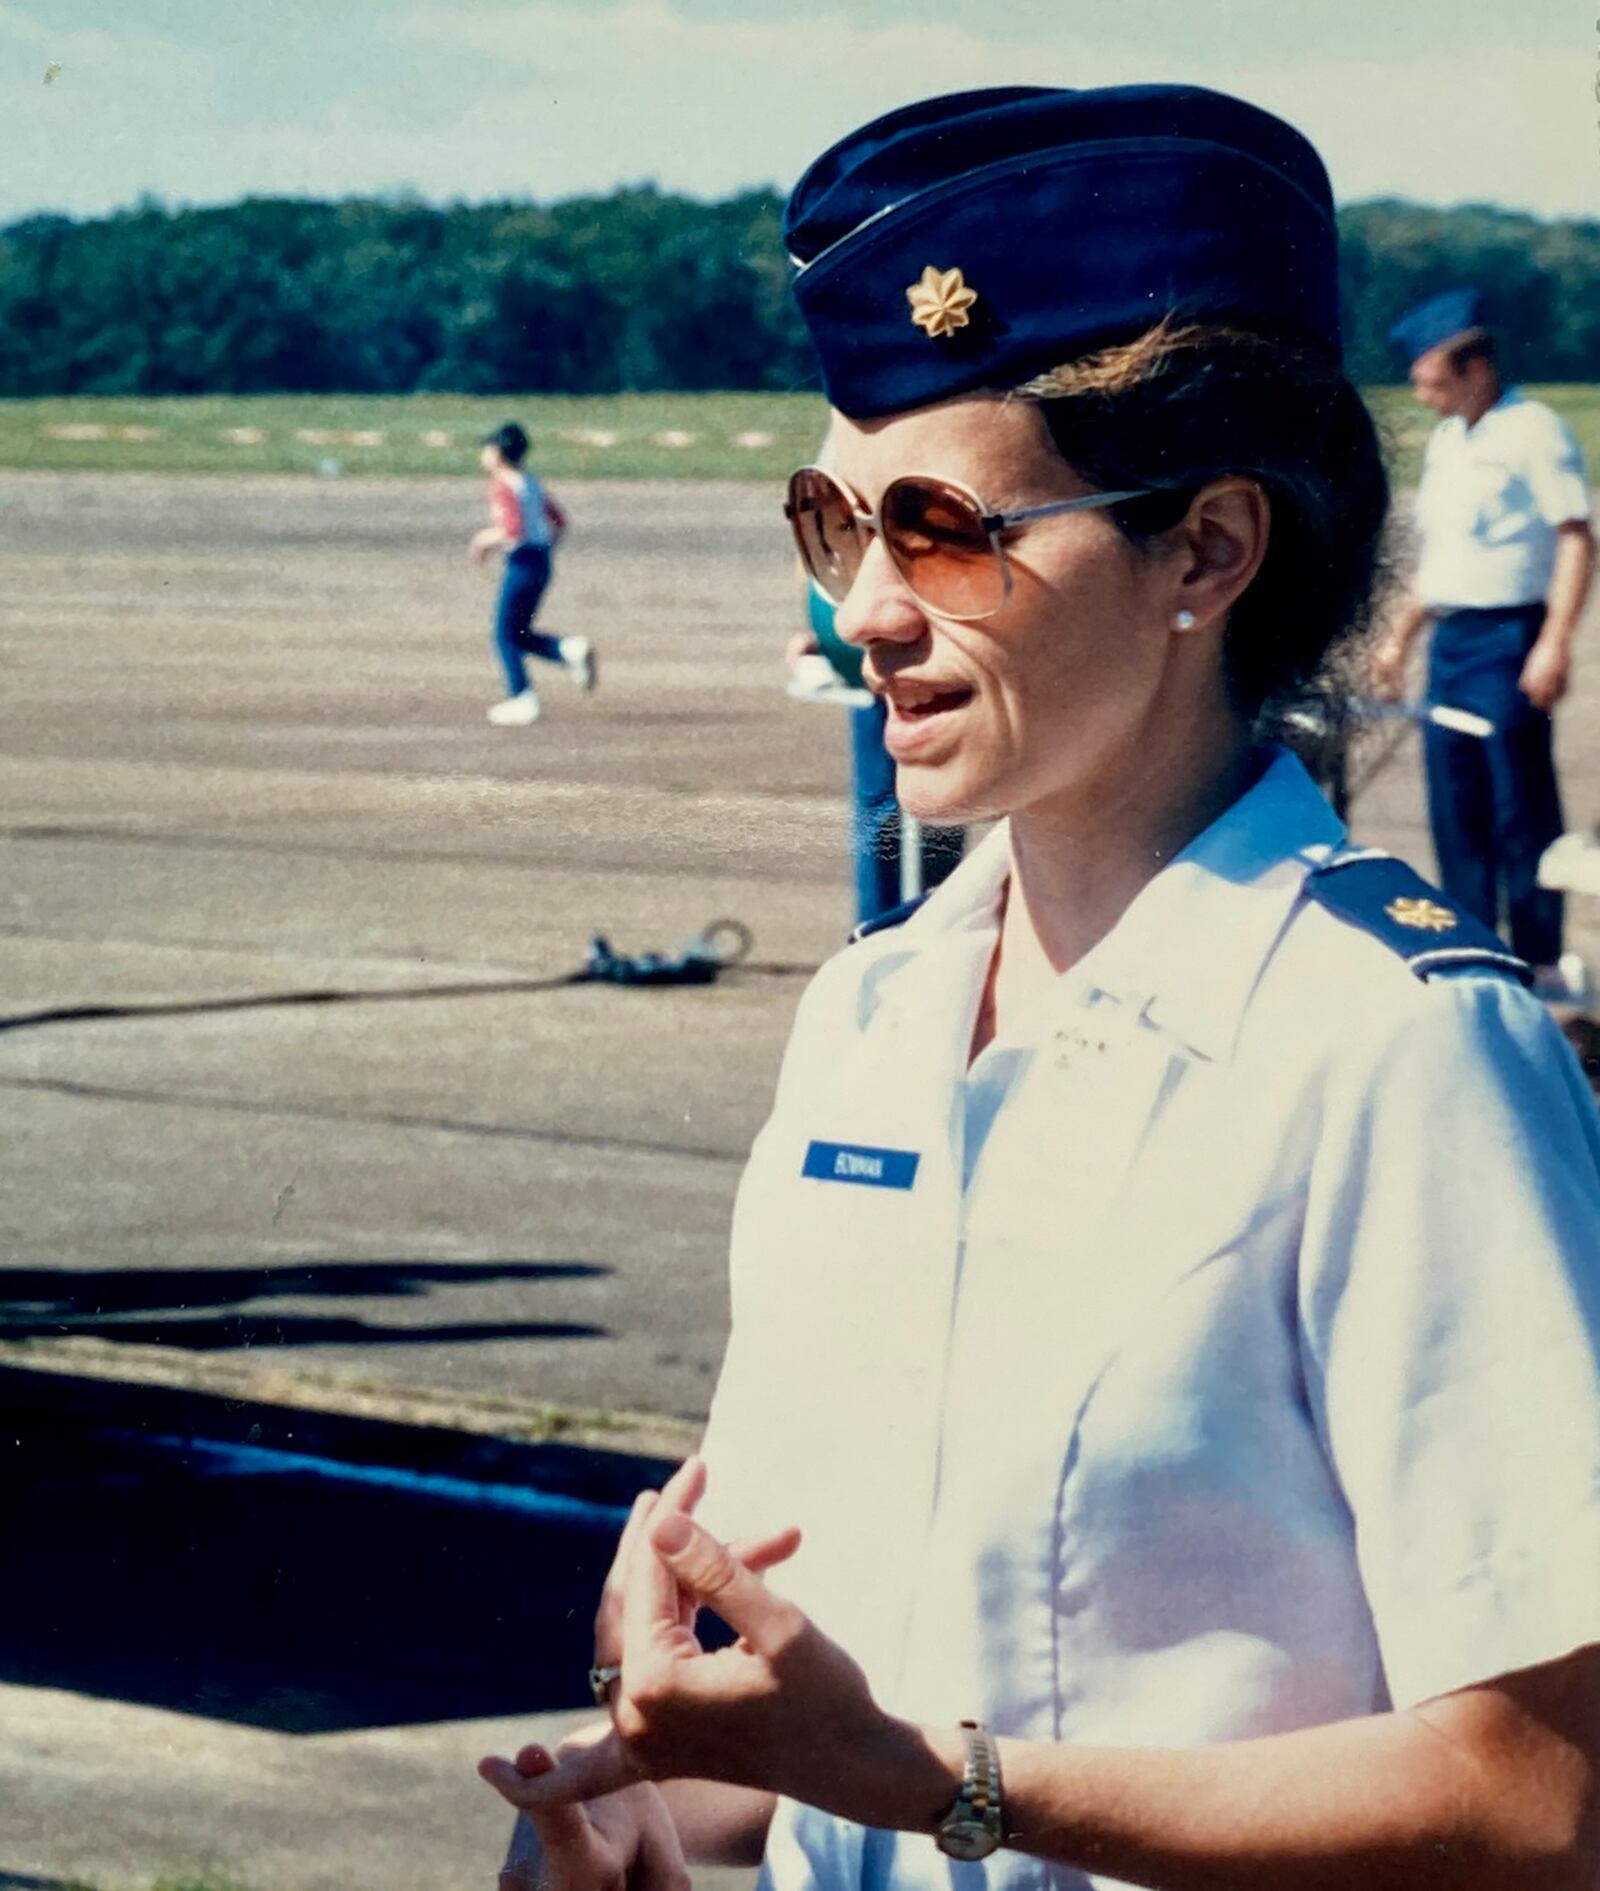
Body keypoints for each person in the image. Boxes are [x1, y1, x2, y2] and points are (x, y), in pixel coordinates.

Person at [482, 87, 1600, 1891]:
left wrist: (941, 1783)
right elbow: (797, 1704)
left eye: (940, 527)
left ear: (1209, 551)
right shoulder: (869, 1022)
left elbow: (1545, 1799)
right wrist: (632, 1809)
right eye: (832, 526)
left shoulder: (1397, 1049)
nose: (867, 612)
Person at [1370, 290, 1595, 1002]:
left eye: (1430, 375)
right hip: (1453, 641)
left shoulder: (1533, 431)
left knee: (1516, 806)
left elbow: (1574, 538)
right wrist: (1398, 642)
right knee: (1454, 804)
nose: (1418, 389)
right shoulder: (1448, 440)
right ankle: (1472, 955)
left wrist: (1554, 645)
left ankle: (1540, 960)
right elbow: (1442, 565)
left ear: (1475, 368)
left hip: (1510, 637)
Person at [789, 579, 965, 928]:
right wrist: (819, 629)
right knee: (885, 806)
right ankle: (883, 927)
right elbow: (815, 562)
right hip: (873, 673)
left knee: (943, 796)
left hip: (929, 651)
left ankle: (938, 922)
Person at [471, 420, 596, 726]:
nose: (483, 454)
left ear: (499, 453)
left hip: (522, 562)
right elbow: (559, 521)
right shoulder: (531, 482)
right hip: (540, 561)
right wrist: (545, 549)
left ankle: (522, 697)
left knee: (503, 635)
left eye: (488, 448)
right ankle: (567, 650)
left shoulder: (502, 486)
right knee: (518, 633)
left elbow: (512, 528)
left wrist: (482, 541)